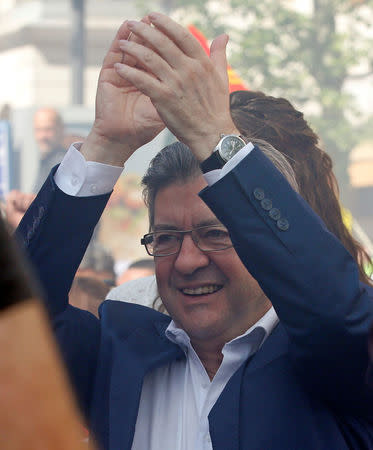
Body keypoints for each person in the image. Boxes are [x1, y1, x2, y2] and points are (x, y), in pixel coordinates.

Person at [16, 13, 373, 450]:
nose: (187, 260)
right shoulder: (119, 354)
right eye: (165, 238)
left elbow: (339, 314)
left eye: (215, 234)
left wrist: (212, 137)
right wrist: (105, 146)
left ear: (261, 241)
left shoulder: (333, 362)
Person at [33, 107, 66, 193]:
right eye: (38, 130)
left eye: (48, 129)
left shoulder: (63, 163)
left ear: (61, 130)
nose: (42, 136)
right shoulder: (45, 159)